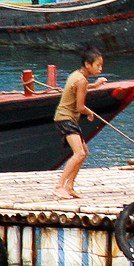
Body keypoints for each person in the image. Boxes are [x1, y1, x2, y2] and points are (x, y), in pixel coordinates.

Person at [52, 46, 105, 200]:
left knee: (84, 152)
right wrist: (90, 113)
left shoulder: (77, 75)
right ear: (88, 65)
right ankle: (59, 186)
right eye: (98, 65)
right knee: (79, 153)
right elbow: (80, 107)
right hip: (65, 118)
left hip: (67, 118)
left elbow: (79, 88)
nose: (100, 69)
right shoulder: (81, 80)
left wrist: (95, 85)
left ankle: (69, 186)